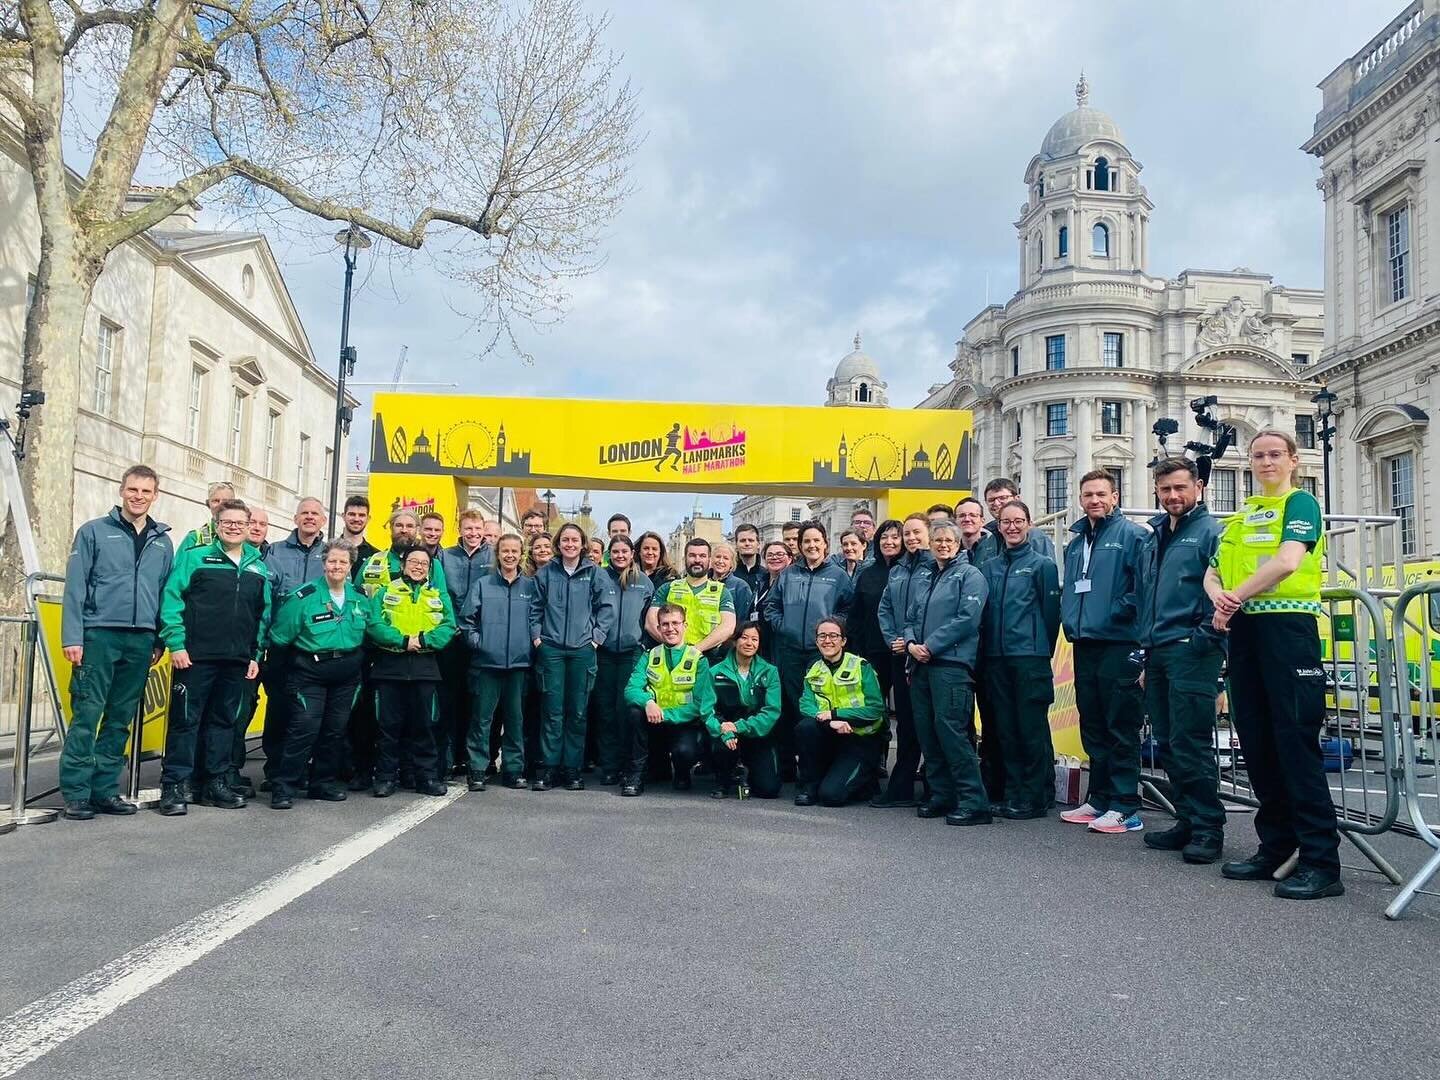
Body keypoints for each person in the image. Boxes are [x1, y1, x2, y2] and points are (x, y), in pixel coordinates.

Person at [1206, 431, 1342, 899]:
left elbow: (1288, 560)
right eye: (1258, 455)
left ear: (1292, 460)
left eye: (1274, 454)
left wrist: (1231, 600)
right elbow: (1213, 569)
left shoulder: (1301, 503)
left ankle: (1322, 863)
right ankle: (1275, 848)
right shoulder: (1241, 515)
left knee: (1295, 743)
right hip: (1244, 631)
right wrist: (1221, 599)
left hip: (1289, 630)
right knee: (1258, 743)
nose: (1266, 461)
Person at [58, 465, 174, 820]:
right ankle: (77, 793)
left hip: (140, 640)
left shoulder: (163, 541)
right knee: (87, 715)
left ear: (155, 495)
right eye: (133, 490)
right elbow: (76, 586)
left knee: (120, 719)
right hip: (99, 634)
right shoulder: (93, 532)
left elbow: (163, 593)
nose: (138, 497)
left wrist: (159, 639)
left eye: (146, 491)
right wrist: (73, 636)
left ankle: (104, 790)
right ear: (122, 491)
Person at [157, 499, 271, 815]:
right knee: (185, 722)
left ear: (250, 527)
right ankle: (175, 786)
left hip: (236, 660)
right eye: (228, 522)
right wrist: (176, 644)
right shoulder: (195, 558)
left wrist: (254, 655)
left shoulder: (257, 566)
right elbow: (171, 601)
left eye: (240, 522)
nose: (234, 527)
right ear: (217, 525)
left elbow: (262, 615)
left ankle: (214, 783)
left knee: (224, 723)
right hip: (195, 658)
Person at [1139, 458, 1227, 865]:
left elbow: (1225, 591)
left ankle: (1208, 828)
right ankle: (1188, 819)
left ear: (1199, 487)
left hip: (1191, 651)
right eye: (1165, 489)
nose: (1173, 496)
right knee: (1168, 741)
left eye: (1179, 488)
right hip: (1158, 650)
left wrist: (1204, 638)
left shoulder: (1211, 532)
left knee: (1191, 743)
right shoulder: (1157, 534)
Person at [1059, 470, 1148, 835]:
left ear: (1115, 497)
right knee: (1093, 722)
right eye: (1088, 495)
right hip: (1084, 642)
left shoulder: (1134, 536)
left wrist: (1116, 611)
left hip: (1119, 641)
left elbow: (1142, 587)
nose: (1094, 500)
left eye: (1101, 494)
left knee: (1120, 725)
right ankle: (1100, 797)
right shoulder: (1076, 542)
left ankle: (1126, 804)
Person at [266, 539, 369, 809]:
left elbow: (370, 632)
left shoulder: (360, 596)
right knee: (304, 728)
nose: (337, 566)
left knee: (335, 731)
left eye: (343, 562)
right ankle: (284, 786)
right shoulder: (304, 596)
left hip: (346, 676)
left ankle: (321, 783)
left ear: (351, 565)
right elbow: (280, 636)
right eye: (332, 561)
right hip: (309, 674)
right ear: (323, 563)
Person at [978, 500, 1062, 819]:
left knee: (1031, 729)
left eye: (1018, 521)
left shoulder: (1043, 564)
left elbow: (1051, 615)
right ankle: (1014, 793)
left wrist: (1040, 649)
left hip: (1029, 657)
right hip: (996, 659)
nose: (1012, 527)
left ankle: (1037, 795)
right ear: (998, 526)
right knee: (1005, 729)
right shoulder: (989, 567)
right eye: (1005, 522)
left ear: (1029, 524)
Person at [905, 519, 991, 826]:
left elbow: (967, 619)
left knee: (953, 734)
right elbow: (911, 617)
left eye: (949, 540)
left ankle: (973, 801)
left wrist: (930, 645)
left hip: (952, 666)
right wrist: (913, 644)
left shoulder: (971, 576)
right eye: (937, 539)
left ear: (959, 544)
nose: (943, 544)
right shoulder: (925, 578)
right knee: (928, 733)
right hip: (921, 664)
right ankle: (942, 795)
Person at [762, 521, 853, 780]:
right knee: (789, 709)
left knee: (819, 709)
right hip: (790, 651)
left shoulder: (838, 576)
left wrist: (831, 633)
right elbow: (772, 607)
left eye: (816, 541)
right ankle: (788, 769)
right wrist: (785, 628)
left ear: (825, 543)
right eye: (806, 542)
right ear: (800, 546)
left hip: (821, 655)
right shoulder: (788, 574)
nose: (812, 545)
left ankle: (819, 768)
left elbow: (848, 610)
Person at [366, 547, 457, 797]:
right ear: (403, 564)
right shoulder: (385, 592)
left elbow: (449, 626)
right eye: (413, 561)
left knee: (425, 727)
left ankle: (425, 778)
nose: (418, 566)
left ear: (429, 568)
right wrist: (403, 640)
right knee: (388, 728)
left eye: (424, 563)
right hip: (389, 669)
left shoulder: (438, 595)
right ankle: (385, 778)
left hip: (425, 669)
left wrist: (426, 641)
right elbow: (373, 624)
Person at [529, 523, 613, 791]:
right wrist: (537, 638)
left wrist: (596, 639)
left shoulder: (595, 574)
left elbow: (606, 609)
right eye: (565, 540)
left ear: (582, 544)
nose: (569, 544)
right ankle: (550, 768)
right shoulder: (546, 573)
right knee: (552, 711)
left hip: (582, 651)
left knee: (577, 712)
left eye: (574, 540)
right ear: (558, 543)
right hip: (551, 649)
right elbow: (535, 607)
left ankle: (572, 769)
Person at [260, 496, 327, 791]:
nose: (310, 517)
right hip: (280, 645)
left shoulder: (331, 554)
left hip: (313, 648)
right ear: (295, 518)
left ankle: (302, 770)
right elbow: (265, 597)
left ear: (323, 520)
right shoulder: (274, 552)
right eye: (305, 513)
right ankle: (274, 771)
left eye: (315, 514)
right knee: (278, 709)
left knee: (308, 713)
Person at [460, 533, 537, 790]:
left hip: (519, 665)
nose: (510, 555)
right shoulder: (483, 585)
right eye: (505, 550)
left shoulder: (530, 587)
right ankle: (478, 769)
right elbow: (467, 621)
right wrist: (479, 644)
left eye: (515, 551)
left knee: (515, 721)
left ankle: (514, 770)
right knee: (482, 721)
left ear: (521, 554)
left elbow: (537, 622)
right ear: (498, 554)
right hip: (487, 665)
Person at [621, 603, 717, 796]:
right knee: (633, 712)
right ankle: (636, 775)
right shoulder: (649, 655)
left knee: (684, 751)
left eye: (675, 623)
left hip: (684, 723)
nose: (670, 628)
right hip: (655, 722)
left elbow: (699, 704)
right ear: (658, 628)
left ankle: (681, 772)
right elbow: (631, 689)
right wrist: (648, 702)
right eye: (665, 624)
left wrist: (664, 714)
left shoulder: (699, 660)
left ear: (685, 626)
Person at [793, 617, 887, 807]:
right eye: (822, 636)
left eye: (834, 635)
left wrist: (836, 714)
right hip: (832, 733)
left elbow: (875, 709)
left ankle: (866, 777)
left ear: (843, 641)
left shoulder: (861, 666)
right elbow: (806, 705)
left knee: (831, 796)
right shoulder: (814, 668)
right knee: (806, 727)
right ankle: (810, 786)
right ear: (817, 641)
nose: (827, 640)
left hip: (860, 738)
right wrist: (830, 721)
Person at [873, 513, 933, 808]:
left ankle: (936, 787)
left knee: (931, 723)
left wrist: (913, 642)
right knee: (907, 723)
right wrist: (894, 640)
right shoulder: (897, 570)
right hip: (900, 653)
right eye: (907, 533)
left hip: (928, 655)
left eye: (916, 533)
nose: (911, 538)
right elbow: (885, 608)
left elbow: (934, 610)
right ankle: (902, 788)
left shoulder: (936, 566)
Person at [594, 535, 654, 784]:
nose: (620, 556)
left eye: (624, 551)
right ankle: (609, 766)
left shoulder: (644, 582)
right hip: (604, 653)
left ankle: (628, 765)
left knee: (626, 711)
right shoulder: (599, 577)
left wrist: (643, 644)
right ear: (610, 554)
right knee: (605, 711)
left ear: (632, 553)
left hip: (632, 653)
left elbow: (650, 618)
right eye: (615, 551)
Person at [439, 509, 495, 778]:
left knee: (477, 702)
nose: (473, 534)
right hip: (452, 637)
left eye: (477, 529)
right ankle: (448, 758)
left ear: (484, 530)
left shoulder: (493, 556)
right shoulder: (445, 555)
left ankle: (471, 759)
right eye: (468, 529)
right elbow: (440, 594)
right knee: (450, 700)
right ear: (460, 529)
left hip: (481, 639)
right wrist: (451, 627)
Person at [706, 620, 782, 799]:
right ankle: (723, 778)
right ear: (734, 640)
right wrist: (724, 730)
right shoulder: (715, 671)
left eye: (754, 639)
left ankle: (747, 770)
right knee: (723, 746)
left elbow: (772, 712)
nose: (749, 643)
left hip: (758, 733)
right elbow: (707, 710)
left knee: (769, 789)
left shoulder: (770, 672)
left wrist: (739, 727)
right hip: (725, 731)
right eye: (744, 638)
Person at [849, 519, 901, 763]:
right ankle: (874, 760)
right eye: (884, 538)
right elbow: (856, 616)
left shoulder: (911, 571)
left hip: (903, 651)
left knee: (906, 712)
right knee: (873, 709)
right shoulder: (867, 573)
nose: (889, 542)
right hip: (872, 651)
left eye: (895, 537)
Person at [647, 538, 736, 662]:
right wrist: (674, 646)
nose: (697, 560)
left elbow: (728, 627)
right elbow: (650, 622)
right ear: (685, 558)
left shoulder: (722, 592)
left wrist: (695, 650)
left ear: (709, 560)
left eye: (702, 556)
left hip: (708, 660)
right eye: (692, 555)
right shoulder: (668, 588)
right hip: (670, 657)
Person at [359, 509, 449, 597]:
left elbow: (444, 602)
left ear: (417, 529)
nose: (404, 530)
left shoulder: (433, 565)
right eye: (399, 525)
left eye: (410, 526)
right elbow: (354, 599)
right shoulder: (371, 562)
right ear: (391, 527)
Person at [982, 479, 1055, 559]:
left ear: (1017, 499)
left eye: (1002, 498)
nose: (996, 503)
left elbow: (1046, 569)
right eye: (991, 500)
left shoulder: (1036, 538)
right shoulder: (987, 535)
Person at [176, 481, 235, 555]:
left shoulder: (242, 538)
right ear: (208, 504)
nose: (220, 505)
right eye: (216, 501)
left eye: (226, 501)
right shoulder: (194, 538)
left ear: (234, 504)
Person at [710, 542, 754, 623]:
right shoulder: (704, 583)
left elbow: (744, 618)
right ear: (711, 559)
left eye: (726, 558)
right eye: (718, 557)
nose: (720, 561)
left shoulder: (741, 586)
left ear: (732, 563)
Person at [341, 495, 378, 577]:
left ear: (368, 519)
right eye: (352, 514)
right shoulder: (329, 550)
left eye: (361, 515)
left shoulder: (375, 556)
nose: (356, 519)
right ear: (343, 516)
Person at [954, 498, 990, 563]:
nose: (967, 519)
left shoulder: (994, 548)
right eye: (962, 515)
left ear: (982, 521)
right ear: (955, 521)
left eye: (973, 515)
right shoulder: (950, 551)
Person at [733, 523, 764, 591]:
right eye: (742, 540)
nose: (747, 544)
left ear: (758, 544)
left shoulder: (766, 575)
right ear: (736, 545)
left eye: (751, 540)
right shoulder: (729, 573)